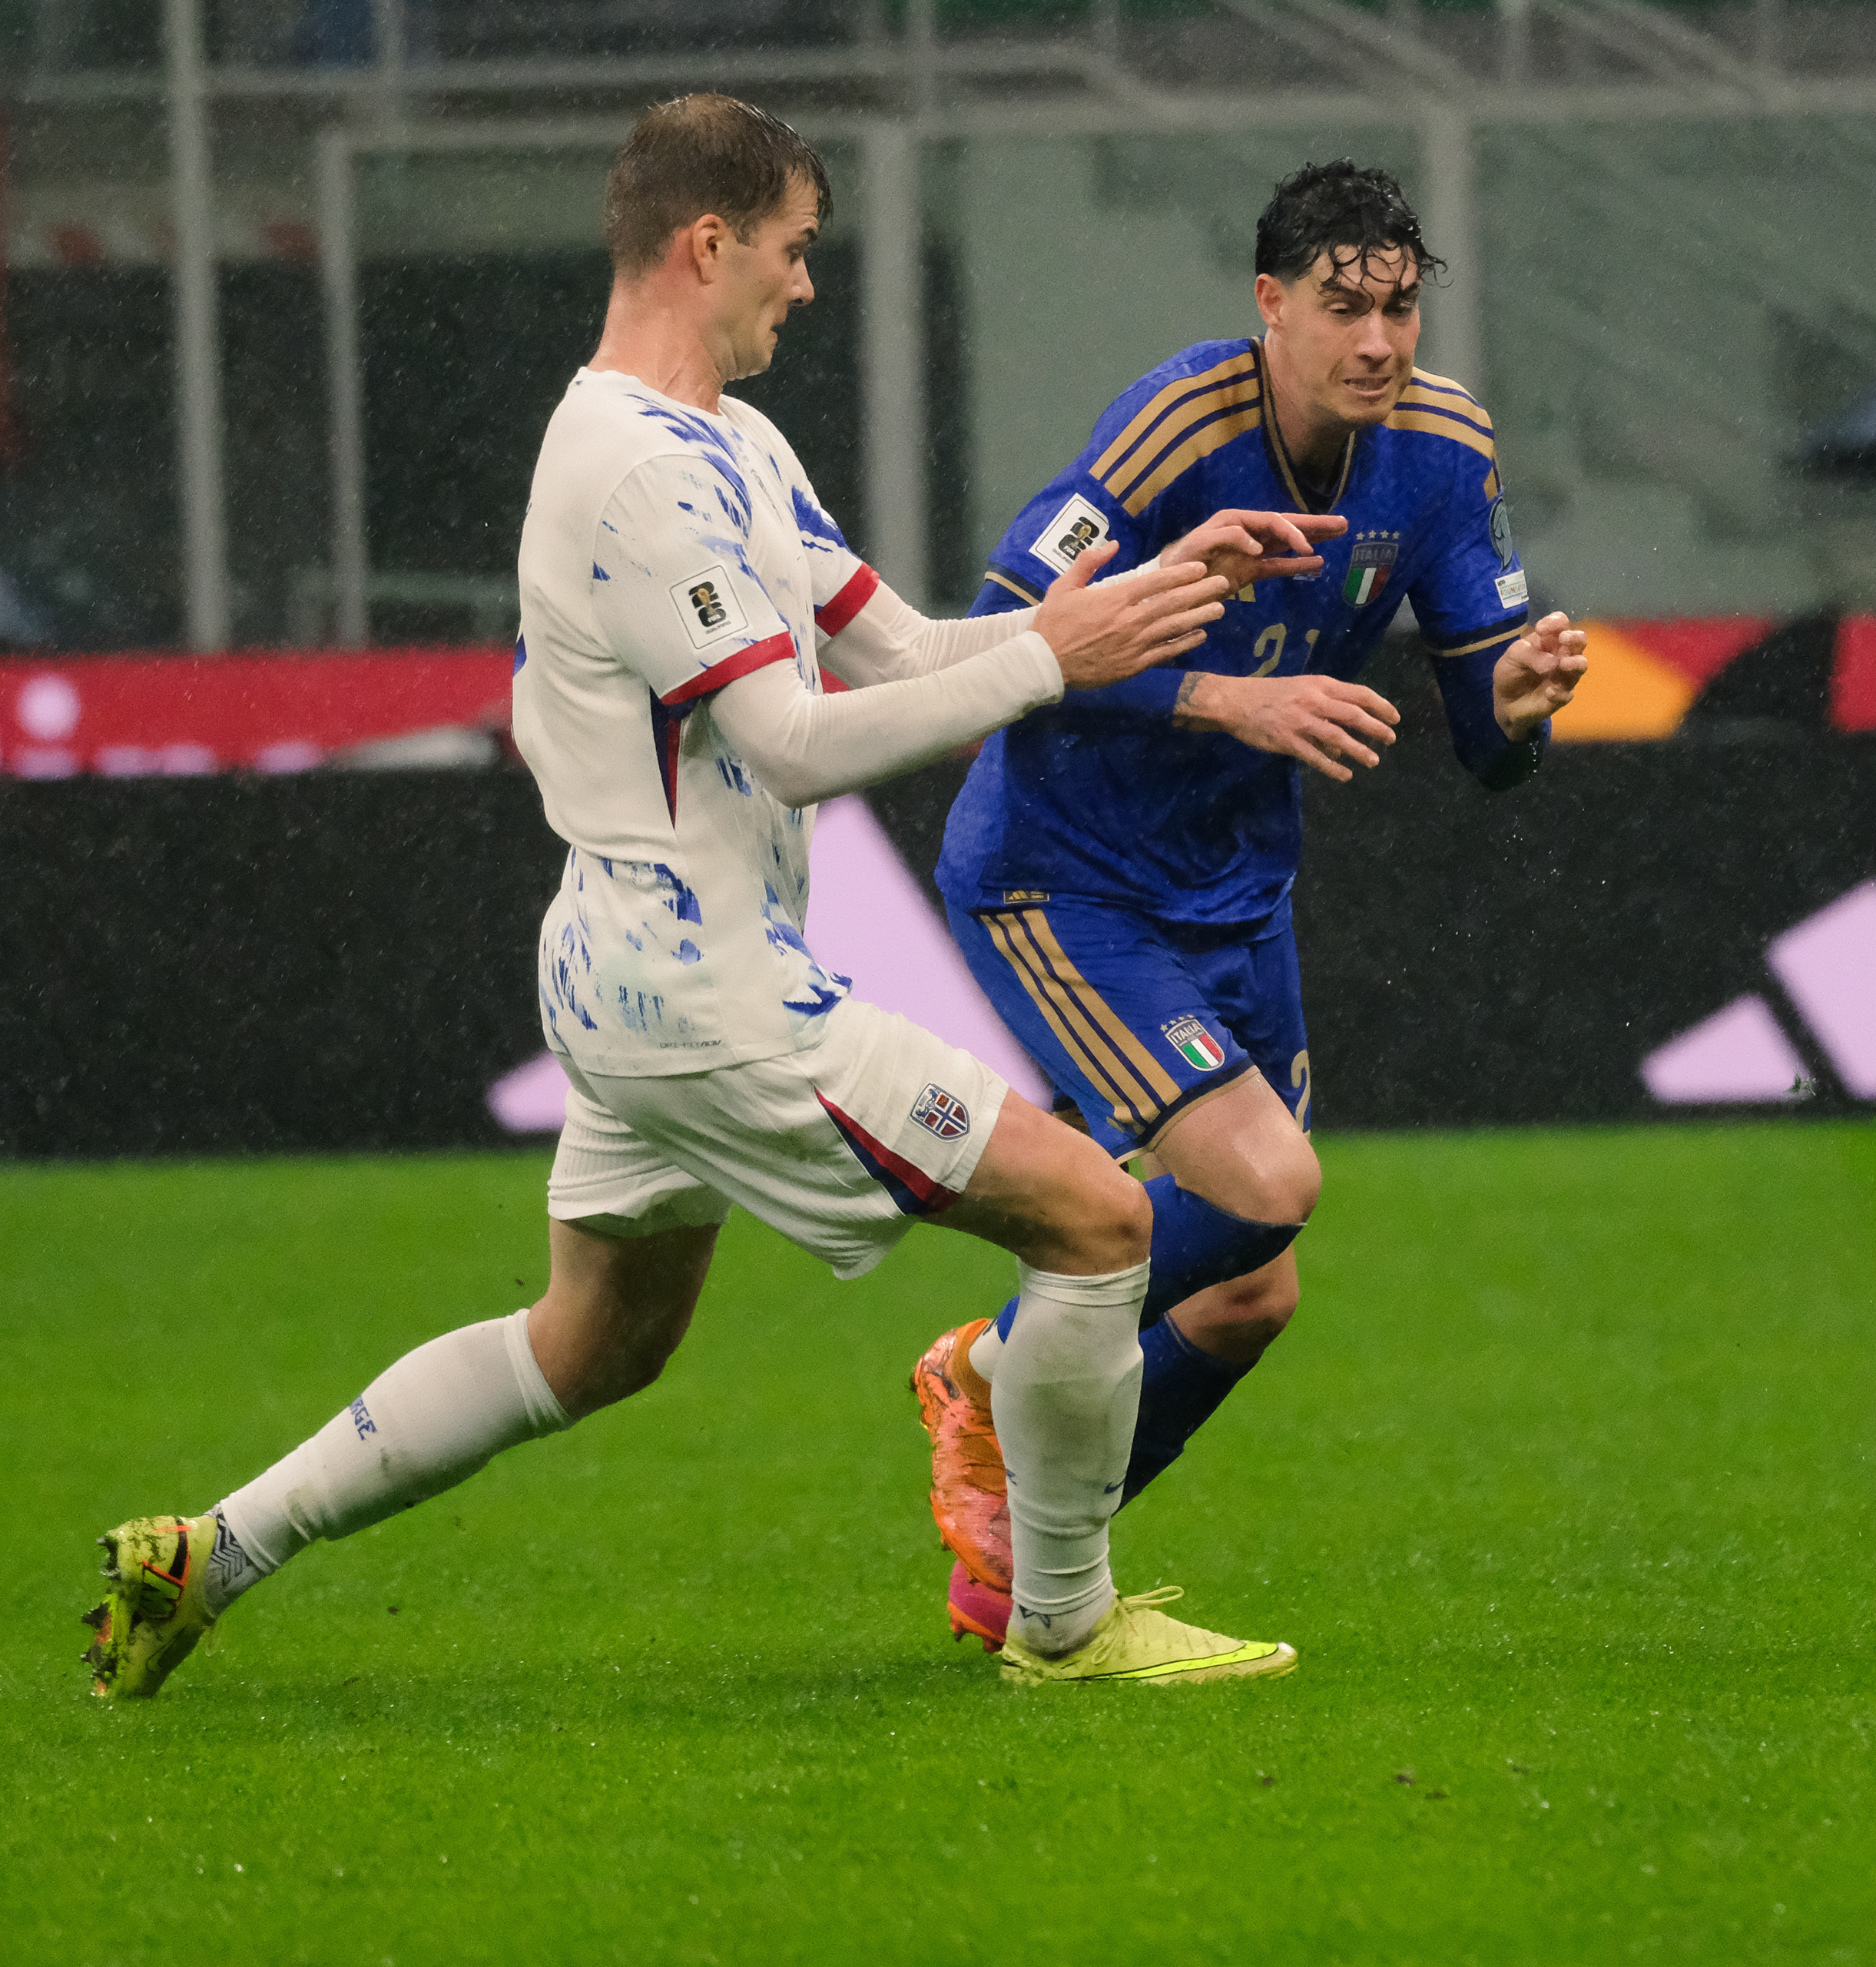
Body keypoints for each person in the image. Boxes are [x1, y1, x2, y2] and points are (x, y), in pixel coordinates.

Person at [82, 95, 1318, 1698]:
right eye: (794, 249)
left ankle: (212, 1550)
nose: (806, 282)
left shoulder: (734, 441)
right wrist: (1046, 665)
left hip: (627, 971)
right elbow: (792, 745)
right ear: (708, 242)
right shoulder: (633, 475)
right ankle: (1065, 1627)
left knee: (589, 1341)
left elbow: (904, 649)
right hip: (707, 985)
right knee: (1101, 1221)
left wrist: (1136, 599)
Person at [903, 161, 1587, 1649]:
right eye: (1343, 307)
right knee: (1267, 1183)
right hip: (1062, 878)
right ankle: (981, 1369)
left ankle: (1022, 1575)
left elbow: (1488, 746)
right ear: (1270, 305)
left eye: (1400, 307)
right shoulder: (1175, 431)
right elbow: (1007, 639)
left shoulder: (1443, 453)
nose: (1378, 341)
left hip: (1234, 893)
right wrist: (1225, 698)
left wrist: (1522, 708)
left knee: (1247, 1297)